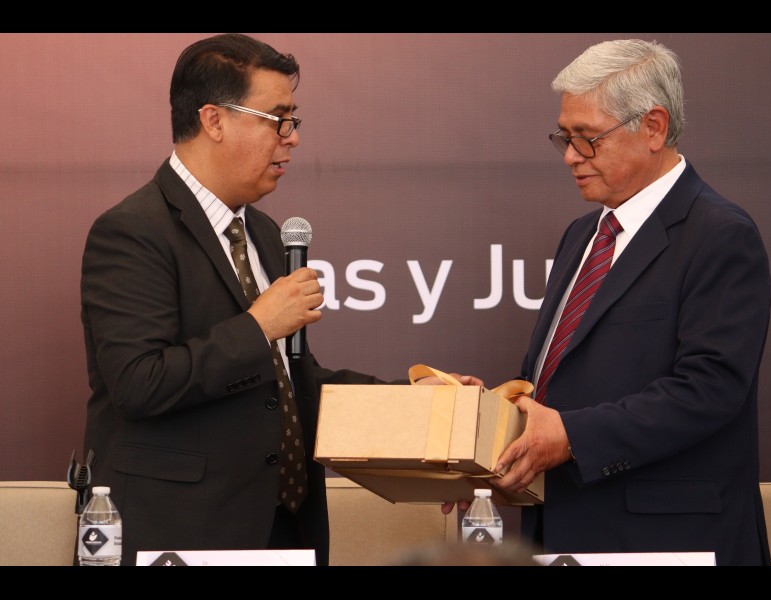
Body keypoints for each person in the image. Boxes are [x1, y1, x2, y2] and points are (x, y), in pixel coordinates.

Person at [80, 33, 479, 567]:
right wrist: (258, 326)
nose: (292, 138)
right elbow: (138, 383)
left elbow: (290, 384)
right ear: (214, 120)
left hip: (287, 531)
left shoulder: (264, 233)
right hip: (180, 534)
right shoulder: (133, 231)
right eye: (278, 119)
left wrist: (411, 401)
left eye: (293, 120)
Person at [446, 38, 771, 566]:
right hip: (560, 539)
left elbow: (709, 390)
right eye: (564, 137)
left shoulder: (720, 235)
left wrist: (570, 436)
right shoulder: (582, 235)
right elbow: (553, 385)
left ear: (654, 127)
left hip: (668, 543)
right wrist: (491, 449)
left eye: (587, 138)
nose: (571, 156)